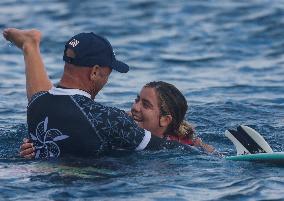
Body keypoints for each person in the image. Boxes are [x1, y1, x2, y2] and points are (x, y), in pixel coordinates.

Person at [3, 28, 195, 159]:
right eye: (107, 74)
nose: (106, 80)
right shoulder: (104, 118)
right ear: (94, 72)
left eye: (145, 104)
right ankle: (30, 45)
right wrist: (212, 155)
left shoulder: (37, 103)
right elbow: (174, 151)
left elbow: (42, 93)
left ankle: (30, 46)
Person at [20, 80, 215, 158]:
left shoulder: (182, 147)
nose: (135, 107)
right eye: (137, 99)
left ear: (165, 120)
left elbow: (211, 156)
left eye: (145, 105)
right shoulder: (117, 125)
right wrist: (36, 148)